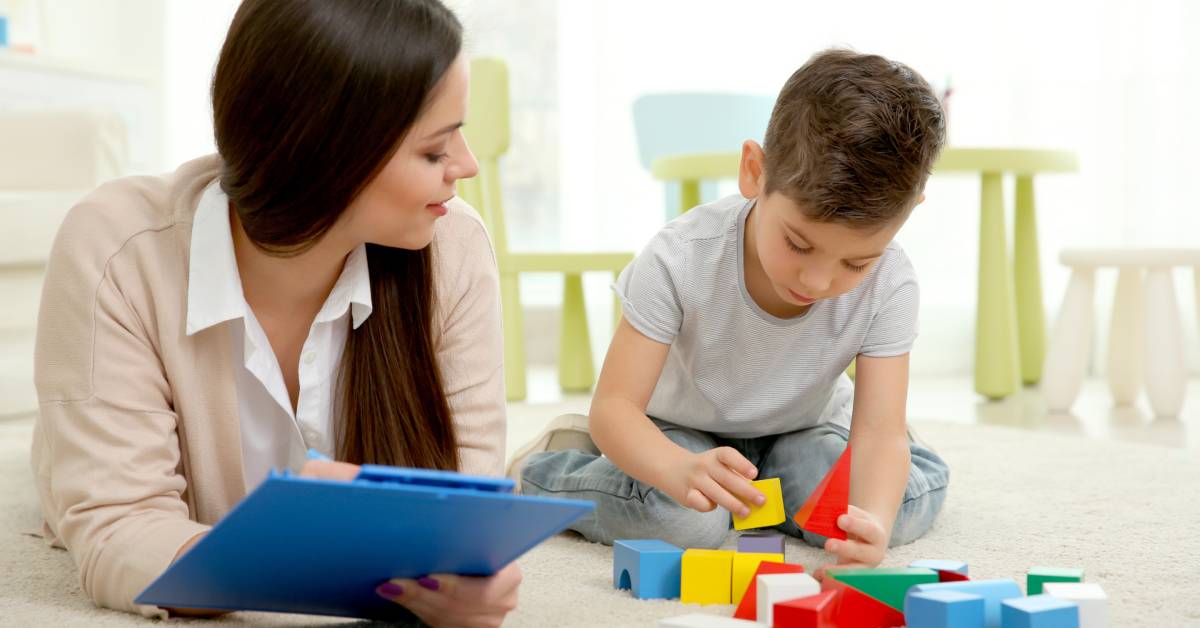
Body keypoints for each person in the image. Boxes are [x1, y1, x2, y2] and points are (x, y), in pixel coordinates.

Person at [30, 1, 520, 624]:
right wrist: (305, 547)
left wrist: (472, 579)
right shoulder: (117, 248)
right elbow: (117, 529)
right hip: (85, 461)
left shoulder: (451, 246)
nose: (467, 166)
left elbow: (470, 510)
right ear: (325, 156)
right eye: (433, 150)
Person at [511, 49, 950, 577]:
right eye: (798, 243)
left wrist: (872, 520)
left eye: (854, 263)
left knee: (882, 513)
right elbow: (615, 409)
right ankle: (553, 471)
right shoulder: (678, 259)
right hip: (679, 432)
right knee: (686, 524)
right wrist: (675, 468)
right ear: (754, 172)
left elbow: (878, 433)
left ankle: (903, 466)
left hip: (802, 433)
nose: (817, 282)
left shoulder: (891, 280)